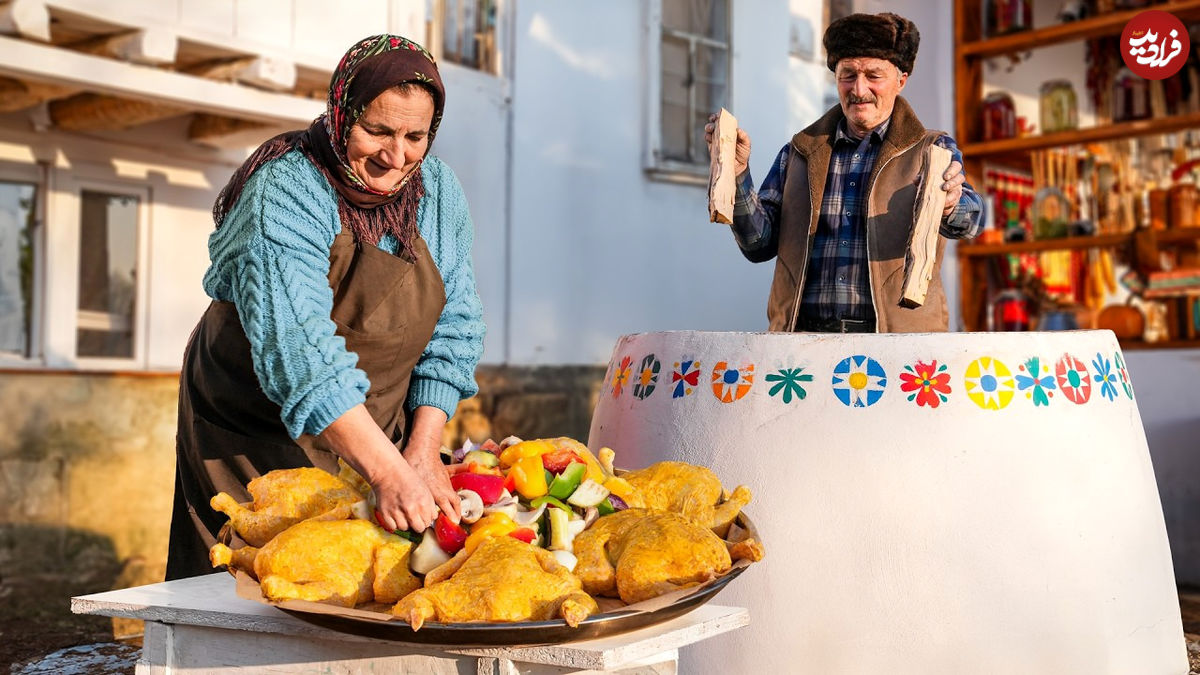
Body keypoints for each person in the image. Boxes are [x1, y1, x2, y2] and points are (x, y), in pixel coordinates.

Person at [166, 35, 485, 580]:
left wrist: (422, 450)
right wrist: (388, 470)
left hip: (376, 421)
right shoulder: (285, 188)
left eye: (416, 136)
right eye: (377, 131)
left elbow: (455, 325)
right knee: (249, 577)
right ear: (340, 114)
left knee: (365, 576)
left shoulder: (438, 192)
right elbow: (299, 354)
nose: (396, 155)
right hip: (251, 423)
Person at [706, 12, 984, 333]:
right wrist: (738, 174)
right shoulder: (798, 153)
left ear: (901, 80)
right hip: (804, 346)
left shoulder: (931, 150)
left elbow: (974, 221)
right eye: (848, 74)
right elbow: (757, 244)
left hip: (897, 350)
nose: (859, 88)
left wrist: (950, 206)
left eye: (873, 75)